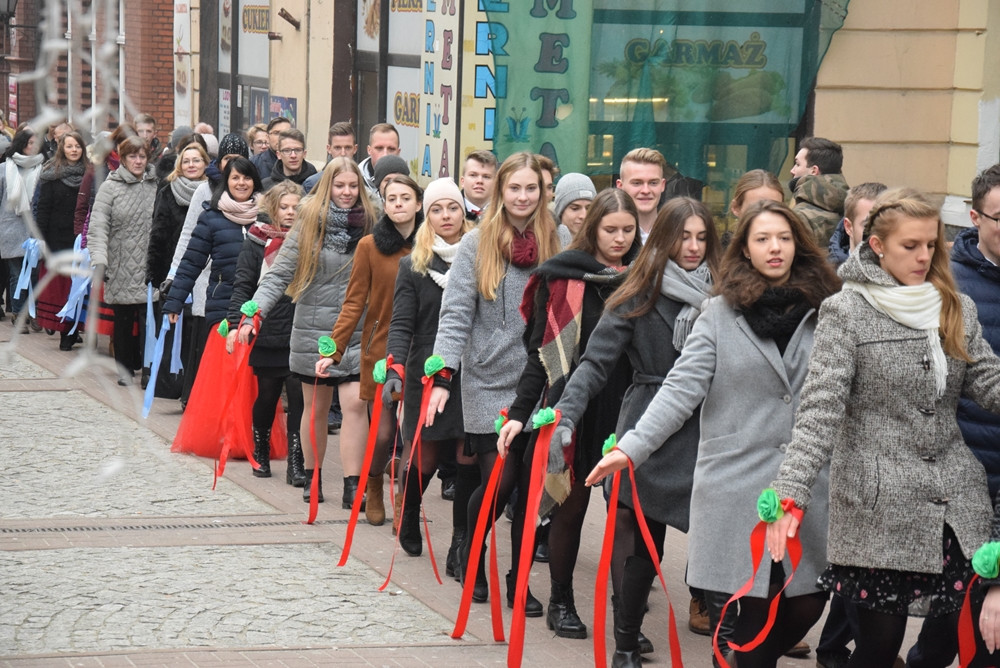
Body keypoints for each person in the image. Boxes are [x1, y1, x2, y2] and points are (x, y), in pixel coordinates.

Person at [586, 199, 841, 667]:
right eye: (762, 239)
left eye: (784, 238)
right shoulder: (721, 313)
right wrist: (631, 448)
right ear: (744, 249)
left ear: (799, 246)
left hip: (809, 483)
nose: (775, 248)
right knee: (755, 605)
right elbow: (681, 388)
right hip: (736, 482)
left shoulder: (829, 311)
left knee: (808, 600)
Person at [765, 187, 1000, 667]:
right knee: (876, 651)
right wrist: (792, 493)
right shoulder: (845, 311)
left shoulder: (954, 306)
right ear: (877, 246)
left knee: (976, 634)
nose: (923, 256)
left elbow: (986, 381)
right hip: (877, 509)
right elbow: (820, 411)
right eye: (909, 246)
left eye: (931, 245)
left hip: (956, 500)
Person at [550, 196, 720, 662]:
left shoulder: (727, 295)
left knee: (718, 543)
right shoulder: (635, 290)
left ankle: (730, 643)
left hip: (711, 430)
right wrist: (565, 415)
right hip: (647, 424)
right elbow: (593, 364)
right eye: (683, 236)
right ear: (663, 238)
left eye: (702, 237)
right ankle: (626, 639)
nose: (693, 247)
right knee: (641, 537)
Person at [498, 188, 642, 640]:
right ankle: (562, 599)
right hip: (573, 404)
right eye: (610, 229)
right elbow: (539, 356)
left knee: (627, 517)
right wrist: (521, 413)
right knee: (568, 505)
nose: (619, 239)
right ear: (591, 227)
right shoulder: (561, 277)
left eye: (628, 230)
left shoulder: (648, 276)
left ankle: (628, 618)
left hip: (631, 405)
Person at [427, 151, 562, 613]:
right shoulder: (477, 242)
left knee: (530, 491)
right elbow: (457, 312)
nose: (523, 197)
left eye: (532, 189)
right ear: (500, 192)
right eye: (515, 188)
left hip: (539, 380)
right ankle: (472, 550)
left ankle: (518, 580)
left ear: (543, 193)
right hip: (487, 379)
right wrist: (443, 373)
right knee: (500, 481)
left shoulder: (556, 240)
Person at [248, 157, 376, 504]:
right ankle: (312, 474)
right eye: (339, 186)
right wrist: (252, 313)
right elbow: (278, 274)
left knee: (353, 403)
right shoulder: (307, 224)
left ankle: (352, 484)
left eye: (352, 186)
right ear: (327, 187)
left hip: (357, 329)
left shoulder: (373, 224)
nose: (347, 192)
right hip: (313, 329)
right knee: (315, 407)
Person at [317, 173, 421, 525]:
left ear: (419, 204)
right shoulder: (370, 246)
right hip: (382, 352)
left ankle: (406, 506)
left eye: (405, 198)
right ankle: (374, 481)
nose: (398, 204)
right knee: (386, 434)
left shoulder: (433, 244)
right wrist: (333, 350)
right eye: (391, 199)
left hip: (424, 350)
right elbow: (353, 303)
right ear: (384, 206)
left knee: (413, 436)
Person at [384, 177, 473, 562]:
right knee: (427, 457)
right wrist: (395, 370)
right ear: (427, 215)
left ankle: (460, 542)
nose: (445, 215)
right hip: (426, 370)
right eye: (436, 209)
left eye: (452, 207)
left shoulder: (481, 255)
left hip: (471, 370)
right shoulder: (413, 265)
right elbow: (401, 324)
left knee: (468, 459)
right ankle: (409, 515)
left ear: (463, 210)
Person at [165, 133, 251, 407]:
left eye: (239, 161)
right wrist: (174, 286)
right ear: (220, 161)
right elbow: (190, 240)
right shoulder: (206, 193)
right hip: (213, 282)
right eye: (228, 160)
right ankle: (197, 399)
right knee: (208, 346)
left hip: (250, 295)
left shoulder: (259, 201)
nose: (234, 167)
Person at [229, 181, 306, 484]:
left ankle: (296, 462)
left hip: (301, 328)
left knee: (300, 396)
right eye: (284, 207)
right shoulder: (257, 240)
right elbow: (244, 283)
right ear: (272, 209)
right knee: (268, 395)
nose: (289, 213)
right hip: (269, 327)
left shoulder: (310, 239)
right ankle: (260, 450)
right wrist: (237, 323)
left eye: (295, 208)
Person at [86, 135, 158, 384]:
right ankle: (125, 370)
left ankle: (149, 370)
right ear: (123, 159)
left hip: (151, 265)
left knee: (150, 321)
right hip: (120, 263)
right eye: (132, 156)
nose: (138, 161)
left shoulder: (156, 184)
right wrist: (99, 260)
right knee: (124, 321)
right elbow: (97, 227)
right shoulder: (110, 187)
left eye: (142, 156)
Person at [34, 130, 89, 350]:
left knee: (78, 286)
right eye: (69, 146)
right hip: (56, 239)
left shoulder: (91, 174)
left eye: (77, 146)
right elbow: (43, 209)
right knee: (61, 288)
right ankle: (63, 328)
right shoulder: (51, 174)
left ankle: (72, 330)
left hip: (81, 239)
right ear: (61, 149)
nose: (74, 150)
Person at [147, 142, 210, 291]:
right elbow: (158, 233)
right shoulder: (168, 191)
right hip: (174, 266)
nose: (191, 165)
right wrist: (154, 272)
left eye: (196, 160)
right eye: (186, 161)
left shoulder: (213, 192)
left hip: (206, 268)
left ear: (206, 164)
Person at [0, 126, 43, 328]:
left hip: (34, 229)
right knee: (17, 274)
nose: (32, 147)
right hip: (11, 228)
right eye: (29, 143)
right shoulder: (4, 169)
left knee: (34, 274)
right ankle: (19, 314)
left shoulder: (44, 168)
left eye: (35, 143)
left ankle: (34, 313)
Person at [789, 136, 849, 247]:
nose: (792, 170)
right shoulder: (853, 210)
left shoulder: (799, 216)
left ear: (814, 170)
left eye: (797, 164)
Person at [827, 182, 887, 268]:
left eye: (884, 224)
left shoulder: (905, 271)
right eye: (868, 225)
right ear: (848, 227)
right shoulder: (827, 277)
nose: (878, 233)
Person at [616, 148, 667, 243]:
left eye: (653, 183)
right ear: (620, 186)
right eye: (637, 183)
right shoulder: (607, 239)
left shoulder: (677, 235)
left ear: (663, 185)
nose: (645, 190)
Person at [303, 122, 358, 194]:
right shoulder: (313, 184)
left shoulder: (363, 181)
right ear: (329, 149)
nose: (343, 153)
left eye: (348, 148)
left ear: (355, 149)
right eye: (337, 148)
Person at [358, 123, 401, 200]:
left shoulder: (408, 185)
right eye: (379, 148)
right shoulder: (355, 182)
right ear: (369, 150)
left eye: (391, 149)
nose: (385, 155)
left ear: (398, 152)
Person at [552, 173, 597, 244]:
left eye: (589, 208)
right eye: (575, 208)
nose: (583, 216)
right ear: (560, 212)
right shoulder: (543, 247)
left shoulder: (603, 246)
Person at [251, 117, 291, 183]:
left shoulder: (305, 167)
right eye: (276, 133)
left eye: (286, 133)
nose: (281, 137)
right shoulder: (255, 164)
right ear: (267, 136)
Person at [460, 150, 497, 220]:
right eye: (473, 175)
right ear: (462, 181)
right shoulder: (449, 213)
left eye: (486, 176)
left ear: (495, 183)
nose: (479, 181)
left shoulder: (505, 215)